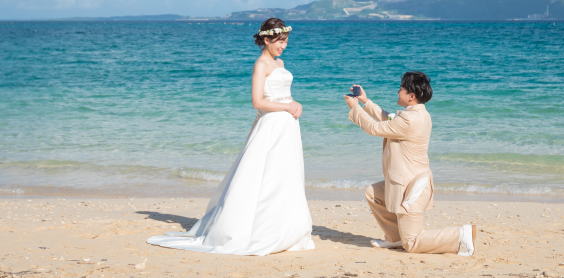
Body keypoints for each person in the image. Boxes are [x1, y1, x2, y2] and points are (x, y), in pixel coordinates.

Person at [147, 18, 314, 255]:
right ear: (266, 39)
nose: (283, 46)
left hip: (287, 127)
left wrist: (295, 105)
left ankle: (286, 227)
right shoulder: (261, 65)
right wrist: (286, 107)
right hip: (273, 125)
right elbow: (257, 101)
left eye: (285, 41)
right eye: (279, 41)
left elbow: (283, 94)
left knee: (285, 174)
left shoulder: (281, 62)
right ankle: (260, 229)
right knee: (266, 176)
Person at [344, 71, 476, 255]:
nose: (398, 92)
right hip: (405, 182)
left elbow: (375, 128)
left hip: (411, 190)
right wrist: (365, 102)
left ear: (411, 96)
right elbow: (389, 119)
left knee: (413, 244)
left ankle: (460, 234)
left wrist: (355, 108)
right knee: (373, 194)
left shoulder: (409, 120)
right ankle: (395, 237)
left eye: (401, 89)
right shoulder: (417, 115)